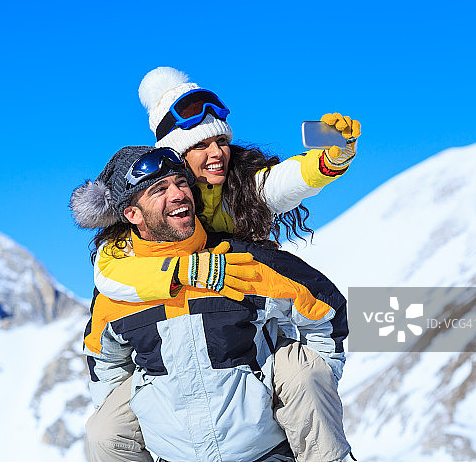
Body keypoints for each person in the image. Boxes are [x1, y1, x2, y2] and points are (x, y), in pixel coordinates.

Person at [71, 146, 352, 462]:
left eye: (181, 183)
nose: (178, 194)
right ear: (132, 214)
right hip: (175, 455)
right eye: (160, 189)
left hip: (263, 453)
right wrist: (147, 410)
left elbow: (325, 309)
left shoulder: (238, 261)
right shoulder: (119, 291)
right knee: (102, 430)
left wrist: (313, 384)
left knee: (305, 369)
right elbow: (105, 361)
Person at [90, 67, 362, 303]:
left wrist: (328, 161)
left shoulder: (242, 187)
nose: (217, 153)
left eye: (221, 141)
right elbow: (108, 273)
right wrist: (182, 270)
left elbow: (282, 182)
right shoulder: (152, 207)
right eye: (200, 146)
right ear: (177, 156)